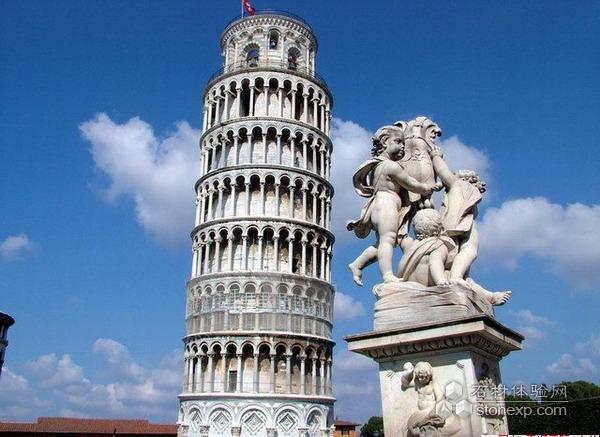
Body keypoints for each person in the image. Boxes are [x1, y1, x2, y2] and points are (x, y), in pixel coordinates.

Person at [347, 125, 434, 285]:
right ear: (385, 142)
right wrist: (426, 188)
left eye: (404, 143)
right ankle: (387, 275)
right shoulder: (390, 166)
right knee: (388, 239)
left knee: (385, 242)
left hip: (383, 205)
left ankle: (357, 264)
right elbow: (411, 183)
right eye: (398, 141)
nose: (403, 146)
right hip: (386, 204)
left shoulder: (380, 165)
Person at [429, 145, 511, 305]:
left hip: (460, 226)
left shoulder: (462, 188)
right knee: (470, 251)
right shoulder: (457, 184)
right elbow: (443, 171)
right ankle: (456, 277)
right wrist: (436, 156)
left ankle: (489, 296)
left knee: (466, 270)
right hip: (457, 227)